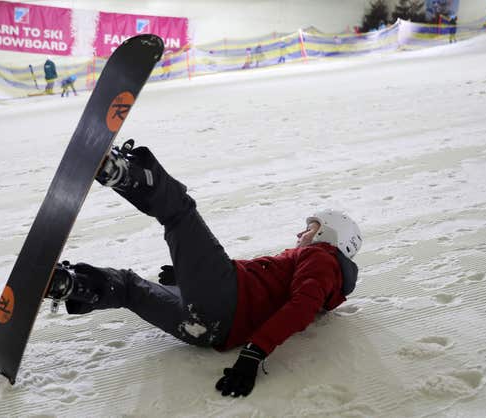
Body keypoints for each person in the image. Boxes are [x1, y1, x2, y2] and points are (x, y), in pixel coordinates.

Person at [45, 140, 363, 397]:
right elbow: (287, 302)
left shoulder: (322, 257)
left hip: (226, 293)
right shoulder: (325, 279)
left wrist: (254, 354)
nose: (300, 234)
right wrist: (188, 280)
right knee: (129, 288)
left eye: (310, 228)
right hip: (207, 330)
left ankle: (126, 174)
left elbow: (300, 307)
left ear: (329, 234)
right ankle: (71, 285)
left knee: (180, 212)